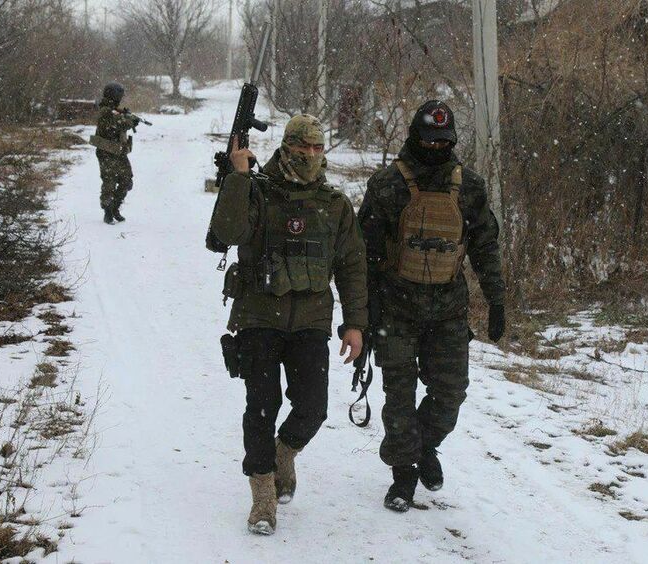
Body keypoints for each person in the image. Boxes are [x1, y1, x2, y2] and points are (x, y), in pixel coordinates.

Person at [209, 114, 368, 535]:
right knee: (262, 405)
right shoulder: (258, 191)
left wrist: (355, 324)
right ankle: (262, 493)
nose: (310, 155)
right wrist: (237, 177)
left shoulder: (333, 204)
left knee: (313, 407)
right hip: (259, 316)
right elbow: (225, 232)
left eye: (317, 148)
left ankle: (284, 454)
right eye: (302, 147)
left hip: (311, 321)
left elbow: (352, 267)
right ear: (286, 147)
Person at [358, 100, 505, 512]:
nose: (436, 148)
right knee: (399, 398)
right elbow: (363, 255)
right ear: (414, 137)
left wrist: (496, 299)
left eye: (444, 142)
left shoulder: (469, 187)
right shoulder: (388, 185)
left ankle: (424, 447)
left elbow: (485, 247)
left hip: (448, 312)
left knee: (451, 394)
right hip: (396, 310)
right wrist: (363, 313)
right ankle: (403, 476)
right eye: (429, 141)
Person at [90, 83, 139, 224]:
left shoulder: (115, 110)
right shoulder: (105, 110)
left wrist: (128, 118)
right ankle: (108, 211)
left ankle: (115, 208)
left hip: (119, 152)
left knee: (126, 181)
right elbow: (116, 124)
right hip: (106, 152)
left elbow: (120, 123)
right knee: (109, 182)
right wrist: (130, 121)